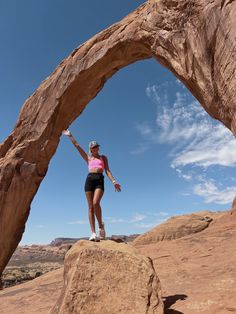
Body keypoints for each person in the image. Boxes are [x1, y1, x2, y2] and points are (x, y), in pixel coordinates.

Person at [62, 129, 121, 241]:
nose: (96, 148)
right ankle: (93, 233)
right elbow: (77, 146)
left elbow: (107, 170)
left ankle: (100, 226)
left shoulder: (103, 157)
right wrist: (70, 135)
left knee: (96, 203)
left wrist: (114, 181)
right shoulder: (88, 158)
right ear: (91, 149)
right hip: (89, 180)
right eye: (94, 147)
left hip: (99, 180)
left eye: (97, 146)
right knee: (90, 207)